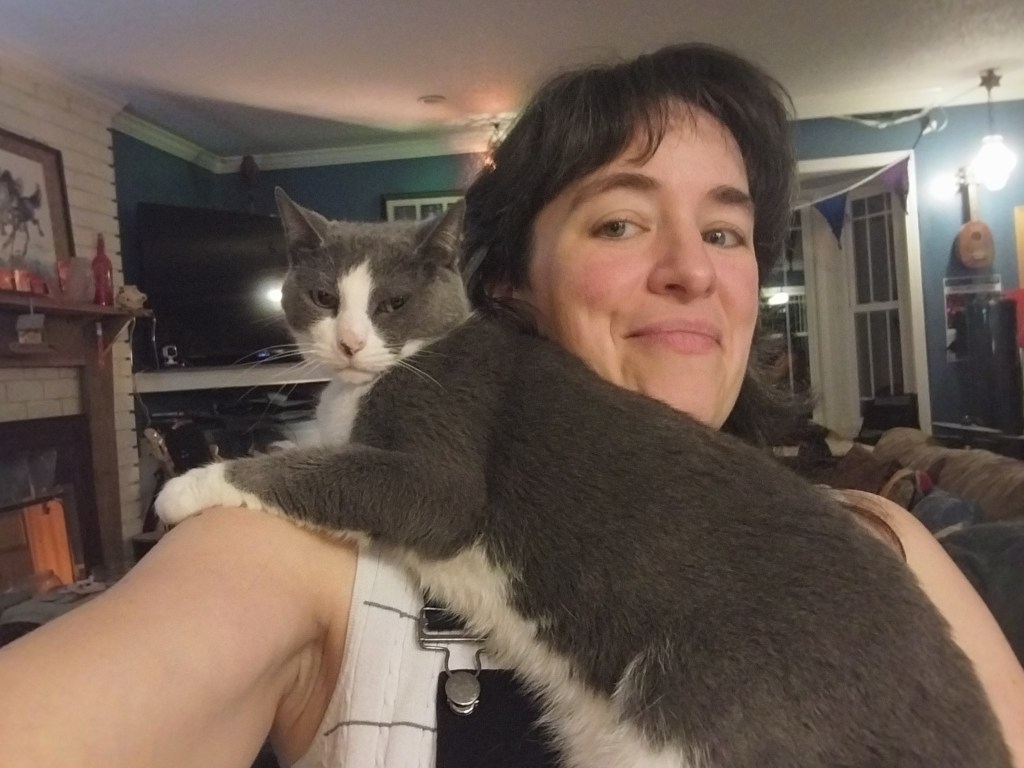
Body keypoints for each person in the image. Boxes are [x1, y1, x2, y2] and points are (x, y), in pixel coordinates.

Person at [1, 43, 1022, 768]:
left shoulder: (873, 540)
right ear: (511, 286)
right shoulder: (300, 555)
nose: (687, 272)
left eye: (725, 233)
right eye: (622, 221)